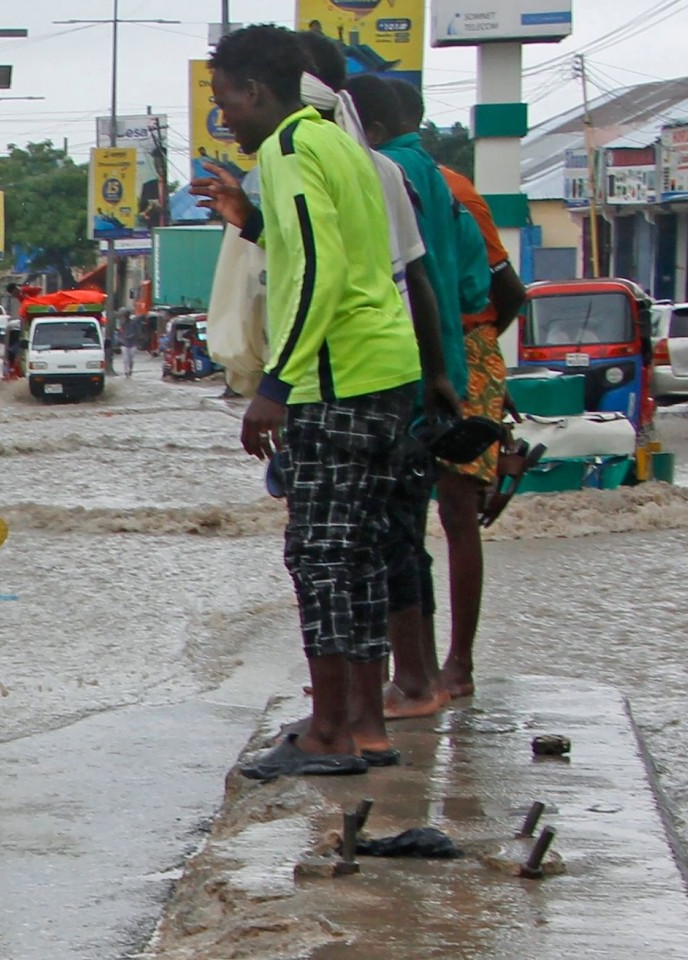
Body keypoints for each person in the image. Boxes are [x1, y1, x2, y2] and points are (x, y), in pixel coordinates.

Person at [192, 24, 423, 780]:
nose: (224, 118)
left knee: (320, 555)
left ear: (257, 91)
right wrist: (250, 220)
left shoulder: (289, 151)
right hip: (388, 367)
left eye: (225, 101)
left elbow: (320, 273)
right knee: (361, 553)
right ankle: (367, 726)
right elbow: (335, 249)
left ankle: (327, 732)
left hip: (337, 376)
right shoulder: (336, 142)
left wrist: (276, 386)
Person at [346, 74, 491, 721]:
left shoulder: (377, 171)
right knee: (414, 529)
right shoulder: (445, 181)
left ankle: (409, 680)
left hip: (393, 371)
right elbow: (474, 283)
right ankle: (427, 671)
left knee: (388, 534)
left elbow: (394, 272)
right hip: (440, 366)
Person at [118, 313, 141, 377]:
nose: (125, 318)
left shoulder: (134, 323)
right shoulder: (122, 324)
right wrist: (121, 339)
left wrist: (133, 335)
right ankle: (126, 372)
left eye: (126, 316)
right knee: (125, 359)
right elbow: (119, 332)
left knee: (131, 359)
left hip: (133, 343)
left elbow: (138, 332)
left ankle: (130, 369)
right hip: (124, 344)